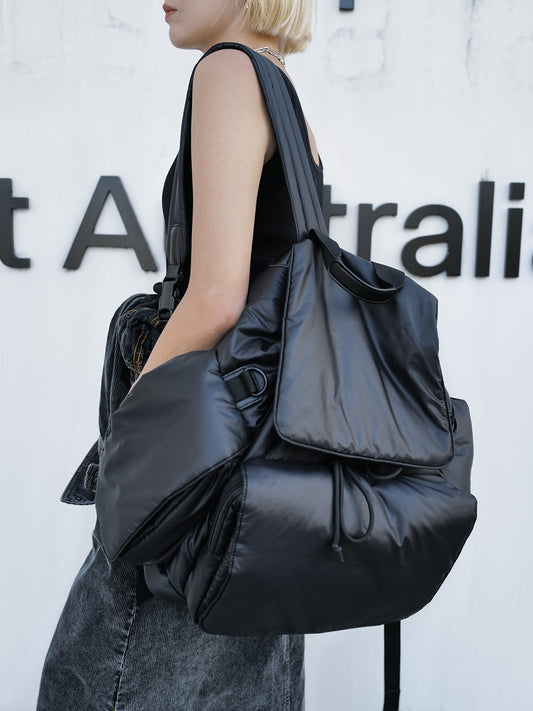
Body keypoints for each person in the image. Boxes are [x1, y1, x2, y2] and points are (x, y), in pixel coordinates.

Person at [37, 1, 323, 709]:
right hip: (265, 470)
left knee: (106, 672)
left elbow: (217, 297)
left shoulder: (228, 72)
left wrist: (135, 436)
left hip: (200, 455)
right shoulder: (281, 89)